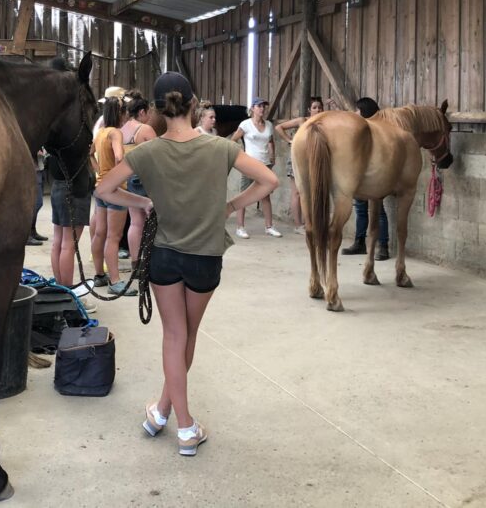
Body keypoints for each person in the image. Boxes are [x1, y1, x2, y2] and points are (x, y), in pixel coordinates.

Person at [96, 72, 278, 457]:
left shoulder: (147, 151)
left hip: (164, 254)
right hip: (205, 256)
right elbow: (268, 181)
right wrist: (228, 207)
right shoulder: (219, 148)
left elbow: (103, 189)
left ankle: (165, 414)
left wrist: (143, 203)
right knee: (188, 335)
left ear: (158, 110)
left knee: (174, 337)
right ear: (193, 104)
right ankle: (184, 426)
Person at [90, 97, 137, 296]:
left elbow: (90, 153)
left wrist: (100, 172)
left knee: (100, 232)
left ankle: (99, 274)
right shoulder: (115, 133)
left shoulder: (100, 132)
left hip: (100, 187)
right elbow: (119, 156)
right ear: (120, 113)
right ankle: (115, 281)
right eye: (125, 111)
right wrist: (119, 177)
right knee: (114, 236)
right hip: (115, 190)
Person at [47, 146, 96, 313]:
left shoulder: (54, 143)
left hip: (58, 186)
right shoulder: (74, 140)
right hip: (74, 189)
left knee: (59, 242)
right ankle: (69, 294)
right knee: (68, 245)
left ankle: (62, 289)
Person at [342, 96, 390, 260]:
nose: (355, 113)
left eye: (357, 110)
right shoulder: (357, 130)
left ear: (364, 112)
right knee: (360, 208)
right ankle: (360, 242)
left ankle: (383, 246)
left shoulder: (379, 132)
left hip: (374, 176)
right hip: (359, 174)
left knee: (379, 211)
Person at [230, 97, 282, 238]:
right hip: (249, 165)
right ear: (252, 108)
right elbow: (233, 140)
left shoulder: (269, 125)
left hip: (264, 165)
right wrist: (241, 157)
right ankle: (240, 227)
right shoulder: (245, 124)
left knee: (265, 196)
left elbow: (270, 141)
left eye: (263, 106)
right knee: (244, 195)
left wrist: (272, 157)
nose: (262, 109)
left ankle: (269, 226)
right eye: (259, 106)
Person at [275, 96, 325, 235]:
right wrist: (289, 140)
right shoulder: (302, 120)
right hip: (297, 159)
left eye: (320, 107)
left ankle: (308, 223)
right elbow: (279, 127)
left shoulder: (323, 123)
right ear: (309, 110)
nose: (318, 110)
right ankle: (298, 225)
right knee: (297, 192)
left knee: (310, 193)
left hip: (313, 160)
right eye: (314, 107)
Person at [121, 96, 157, 270]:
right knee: (153, 220)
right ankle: (151, 260)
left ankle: (136, 262)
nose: (150, 116)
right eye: (148, 112)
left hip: (128, 177)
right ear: (142, 111)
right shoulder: (146, 129)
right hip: (145, 178)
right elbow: (159, 156)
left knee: (135, 222)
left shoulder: (122, 129)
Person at [28, 148, 49, 246]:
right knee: (36, 203)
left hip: (39, 169)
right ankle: (27, 234)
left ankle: (32, 231)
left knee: (37, 203)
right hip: (33, 170)